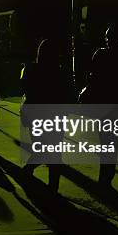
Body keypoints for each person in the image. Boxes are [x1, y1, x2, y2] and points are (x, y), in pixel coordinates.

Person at [81, 25, 118, 189]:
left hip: (103, 105)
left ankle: (105, 176)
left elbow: (92, 77)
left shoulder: (101, 54)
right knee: (113, 142)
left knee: (105, 141)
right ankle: (107, 177)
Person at [22, 39, 75, 192]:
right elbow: (68, 95)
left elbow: (27, 90)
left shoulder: (32, 69)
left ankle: (29, 170)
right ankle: (53, 186)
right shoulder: (61, 72)